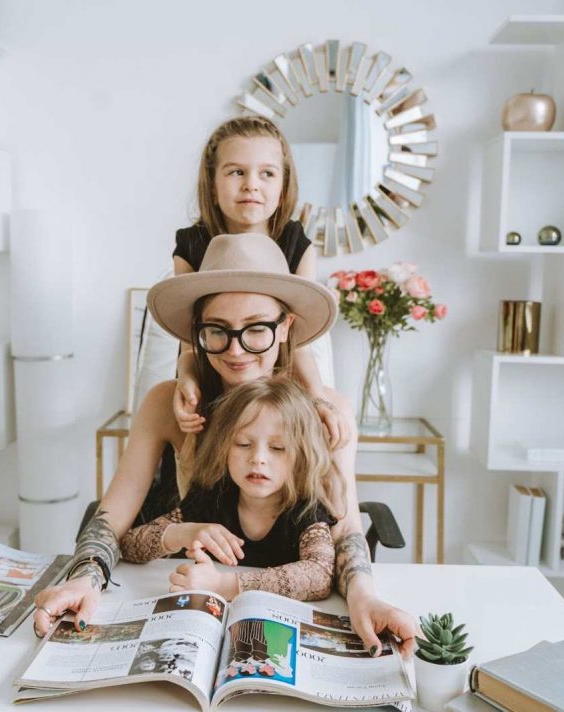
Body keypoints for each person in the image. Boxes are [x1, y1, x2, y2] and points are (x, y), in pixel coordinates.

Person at [32, 233, 418, 659]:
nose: (235, 351)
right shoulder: (167, 403)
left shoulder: (325, 413)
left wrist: (364, 596)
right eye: (217, 331)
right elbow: (112, 517)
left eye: (256, 329)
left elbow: (344, 530)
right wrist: (85, 577)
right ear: (197, 331)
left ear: (286, 326)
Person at [172, 115, 348, 450]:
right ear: (212, 184)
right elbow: (190, 341)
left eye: (266, 174)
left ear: (282, 188)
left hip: (277, 386)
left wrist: (317, 399)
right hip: (213, 379)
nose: (251, 184)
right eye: (236, 171)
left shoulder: (295, 244)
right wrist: (188, 382)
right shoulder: (192, 244)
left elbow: (298, 344)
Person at [120, 377, 342, 601]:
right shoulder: (212, 496)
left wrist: (223, 585)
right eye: (244, 444)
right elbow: (129, 546)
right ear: (224, 448)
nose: (258, 458)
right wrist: (181, 533)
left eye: (277, 448)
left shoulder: (306, 507)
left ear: (302, 456)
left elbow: (320, 575)